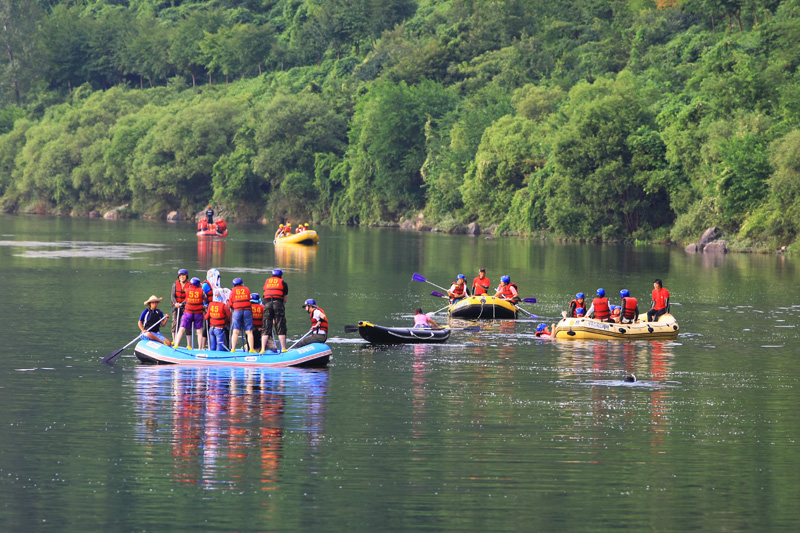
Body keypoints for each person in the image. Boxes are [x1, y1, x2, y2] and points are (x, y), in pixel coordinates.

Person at [173, 277, 206, 349]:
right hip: (198, 313)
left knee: (182, 328)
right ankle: (200, 348)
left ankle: (176, 344)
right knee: (199, 331)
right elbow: (205, 297)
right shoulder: (201, 291)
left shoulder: (187, 290)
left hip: (188, 313)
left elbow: (186, 299)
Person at [262, 269, 289, 352]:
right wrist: (282, 305)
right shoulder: (283, 283)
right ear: (281, 275)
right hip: (278, 304)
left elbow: (264, 294)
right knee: (280, 326)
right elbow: (285, 298)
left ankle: (262, 349)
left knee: (266, 327)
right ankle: (283, 348)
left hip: (267, 305)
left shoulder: (267, 282)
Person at [228, 278, 256, 352]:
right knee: (249, 332)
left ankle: (233, 349)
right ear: (242, 284)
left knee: (235, 331)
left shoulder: (232, 291)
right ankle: (252, 349)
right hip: (247, 311)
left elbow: (230, 303)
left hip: (237, 311)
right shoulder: (247, 289)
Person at [170, 268, 190, 342]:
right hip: (176, 306)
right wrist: (176, 303)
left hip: (185, 307)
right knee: (175, 322)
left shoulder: (189, 285)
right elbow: (172, 296)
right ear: (178, 276)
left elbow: (188, 297)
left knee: (187, 324)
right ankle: (174, 340)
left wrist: (183, 303)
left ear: (186, 276)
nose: (182, 277)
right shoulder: (175, 284)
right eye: (181, 275)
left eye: (184, 275)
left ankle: (189, 344)